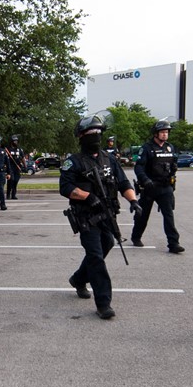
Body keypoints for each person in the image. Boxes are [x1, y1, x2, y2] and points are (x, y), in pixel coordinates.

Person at [60, 115, 142, 319]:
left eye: (98, 132)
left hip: (107, 214)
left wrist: (133, 201)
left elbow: (123, 183)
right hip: (86, 217)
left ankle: (79, 279)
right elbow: (66, 187)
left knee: (106, 244)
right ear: (81, 136)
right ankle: (103, 303)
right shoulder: (74, 162)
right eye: (91, 133)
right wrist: (88, 197)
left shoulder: (109, 159)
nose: (95, 136)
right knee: (96, 257)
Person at [130, 120, 183, 253]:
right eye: (162, 132)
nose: (165, 135)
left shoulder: (170, 147)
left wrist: (173, 172)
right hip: (150, 187)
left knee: (169, 216)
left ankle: (173, 243)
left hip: (166, 187)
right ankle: (136, 237)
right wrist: (145, 179)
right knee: (143, 215)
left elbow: (173, 165)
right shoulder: (147, 148)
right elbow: (139, 167)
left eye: (166, 132)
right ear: (155, 133)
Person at [5, 134, 25, 200]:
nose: (16, 142)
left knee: (16, 180)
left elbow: (22, 158)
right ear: (11, 141)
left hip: (17, 167)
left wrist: (25, 166)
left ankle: (13, 194)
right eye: (14, 141)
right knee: (11, 180)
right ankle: (8, 194)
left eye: (16, 141)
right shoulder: (7, 149)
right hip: (10, 166)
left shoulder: (19, 149)